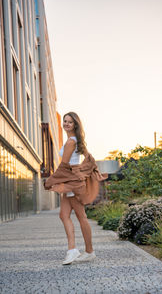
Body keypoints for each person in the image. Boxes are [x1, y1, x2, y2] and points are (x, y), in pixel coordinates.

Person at [56, 112, 96, 265]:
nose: (66, 124)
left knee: (81, 216)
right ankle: (74, 250)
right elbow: (89, 158)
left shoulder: (71, 142)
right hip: (70, 180)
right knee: (64, 215)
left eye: (69, 122)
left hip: (70, 181)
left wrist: (55, 180)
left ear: (75, 125)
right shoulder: (75, 141)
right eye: (65, 121)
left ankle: (87, 251)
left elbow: (64, 164)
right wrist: (81, 170)